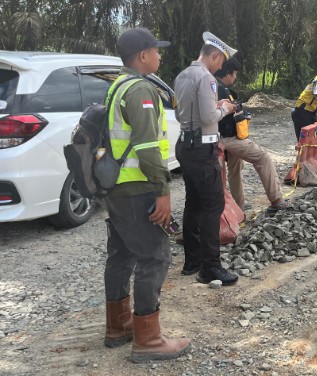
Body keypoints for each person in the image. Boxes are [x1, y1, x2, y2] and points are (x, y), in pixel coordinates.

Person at [103, 27, 190, 363]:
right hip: (137, 187)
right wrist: (163, 191)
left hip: (118, 188)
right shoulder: (140, 88)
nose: (160, 55)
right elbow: (148, 147)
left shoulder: (117, 86)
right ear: (142, 56)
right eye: (156, 50)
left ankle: (119, 326)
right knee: (155, 256)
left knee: (122, 254)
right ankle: (148, 340)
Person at [174, 31, 239, 287]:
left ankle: (192, 261)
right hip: (203, 149)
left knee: (193, 202)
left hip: (186, 146)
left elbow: (182, 115)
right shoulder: (207, 79)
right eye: (220, 61)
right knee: (212, 206)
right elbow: (209, 117)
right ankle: (210, 267)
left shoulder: (183, 75)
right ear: (214, 56)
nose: (221, 66)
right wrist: (226, 108)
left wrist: (215, 106)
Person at [215, 59, 288, 215]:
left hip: (222, 137)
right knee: (263, 157)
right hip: (228, 139)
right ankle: (276, 200)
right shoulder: (220, 90)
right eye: (234, 75)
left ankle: (238, 209)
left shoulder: (213, 86)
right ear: (227, 73)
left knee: (235, 171)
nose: (235, 78)